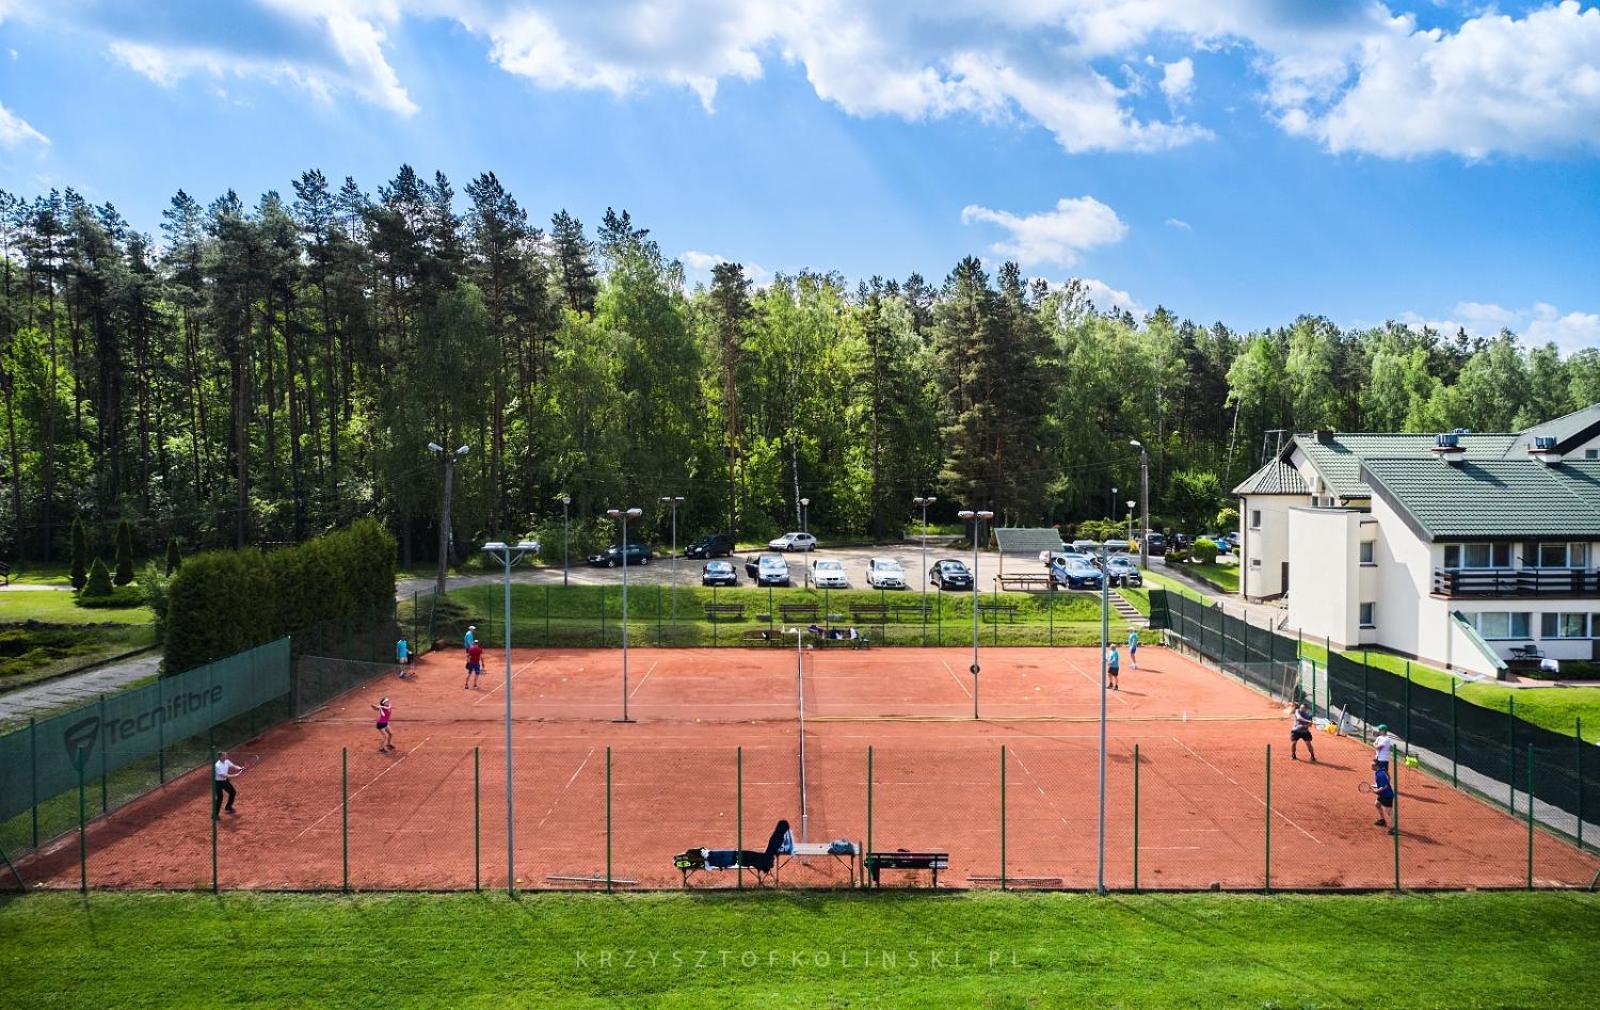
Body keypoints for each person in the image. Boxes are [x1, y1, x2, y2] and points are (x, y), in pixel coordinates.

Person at [212, 751, 242, 818]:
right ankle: (215, 814)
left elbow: (234, 766)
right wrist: (235, 775)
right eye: (224, 756)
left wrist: (239, 768)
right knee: (220, 797)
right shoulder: (217, 765)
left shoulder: (227, 761)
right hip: (218, 783)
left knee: (233, 792)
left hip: (225, 781)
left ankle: (228, 807)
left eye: (226, 755)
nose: (226, 756)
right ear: (220, 757)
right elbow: (224, 775)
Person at [1372, 760, 1396, 832]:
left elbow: (1384, 786)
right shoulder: (1381, 771)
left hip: (1387, 795)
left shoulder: (1380, 774)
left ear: (1377, 766)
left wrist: (1377, 791)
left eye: (1373, 765)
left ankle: (1394, 827)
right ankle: (1382, 820)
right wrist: (1376, 786)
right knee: (1377, 804)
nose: (1371, 766)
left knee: (1389, 812)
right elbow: (1388, 779)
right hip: (1382, 794)